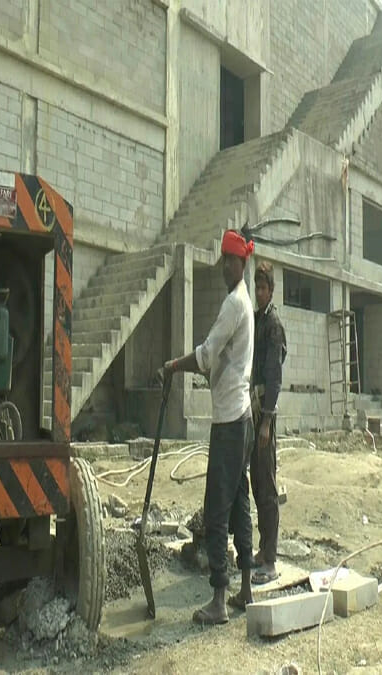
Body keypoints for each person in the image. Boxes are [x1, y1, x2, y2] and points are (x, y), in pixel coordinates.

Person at [157, 229, 256, 625]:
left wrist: (172, 367)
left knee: (217, 511)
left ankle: (219, 597)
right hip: (241, 416)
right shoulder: (243, 302)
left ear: (240, 263)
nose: (222, 268)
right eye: (222, 262)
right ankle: (245, 588)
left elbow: (205, 355)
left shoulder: (234, 304)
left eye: (228, 262)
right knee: (240, 503)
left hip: (231, 422)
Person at [250, 260, 286, 585]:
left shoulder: (273, 323)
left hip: (265, 411)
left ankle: (270, 559)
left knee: (268, 484)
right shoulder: (256, 320)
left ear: (271, 290)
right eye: (257, 287)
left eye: (264, 288)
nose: (259, 292)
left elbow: (274, 375)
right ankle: (262, 549)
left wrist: (266, 422)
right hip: (252, 407)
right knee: (256, 482)